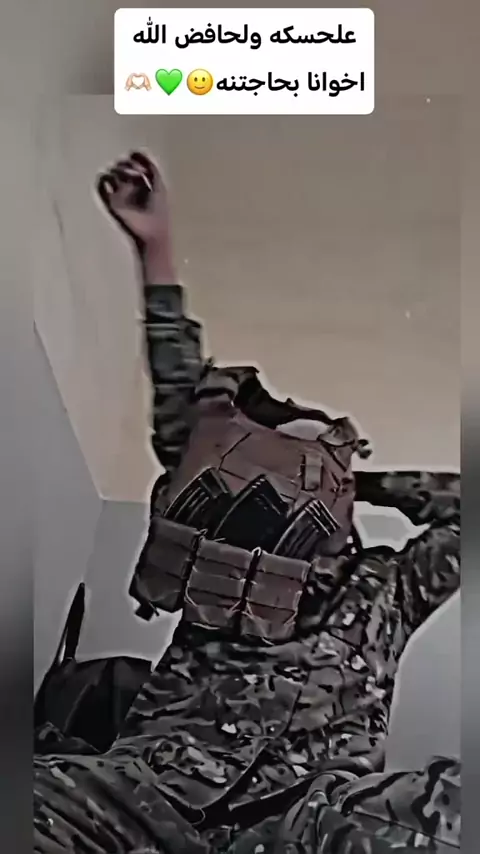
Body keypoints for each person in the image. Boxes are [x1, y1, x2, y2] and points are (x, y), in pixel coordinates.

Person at [34, 152, 460, 853]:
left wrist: (364, 481)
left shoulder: (392, 587)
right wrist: (156, 249)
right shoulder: (219, 549)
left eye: (300, 459)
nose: (277, 475)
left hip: (304, 822)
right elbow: (185, 411)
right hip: (147, 791)